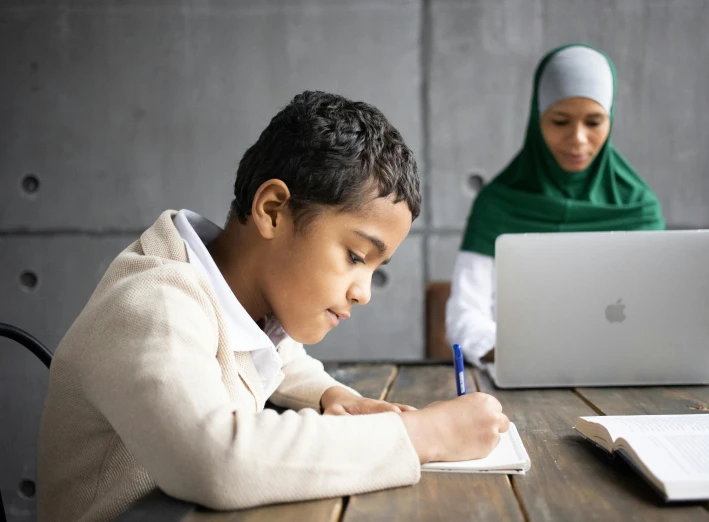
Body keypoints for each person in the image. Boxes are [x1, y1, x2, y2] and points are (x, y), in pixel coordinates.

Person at [37, 91, 509, 521]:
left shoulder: (232, 299)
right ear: (273, 210)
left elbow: (274, 353)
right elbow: (214, 461)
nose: (363, 291)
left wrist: (332, 395)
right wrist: (424, 436)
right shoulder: (154, 302)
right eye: (355, 257)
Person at [447, 44, 666, 368]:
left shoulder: (638, 207)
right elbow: (465, 316)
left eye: (594, 122)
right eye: (560, 121)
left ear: (611, 120)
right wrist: (522, 353)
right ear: (537, 119)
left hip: (622, 373)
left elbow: (658, 313)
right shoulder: (498, 203)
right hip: (521, 373)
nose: (578, 138)